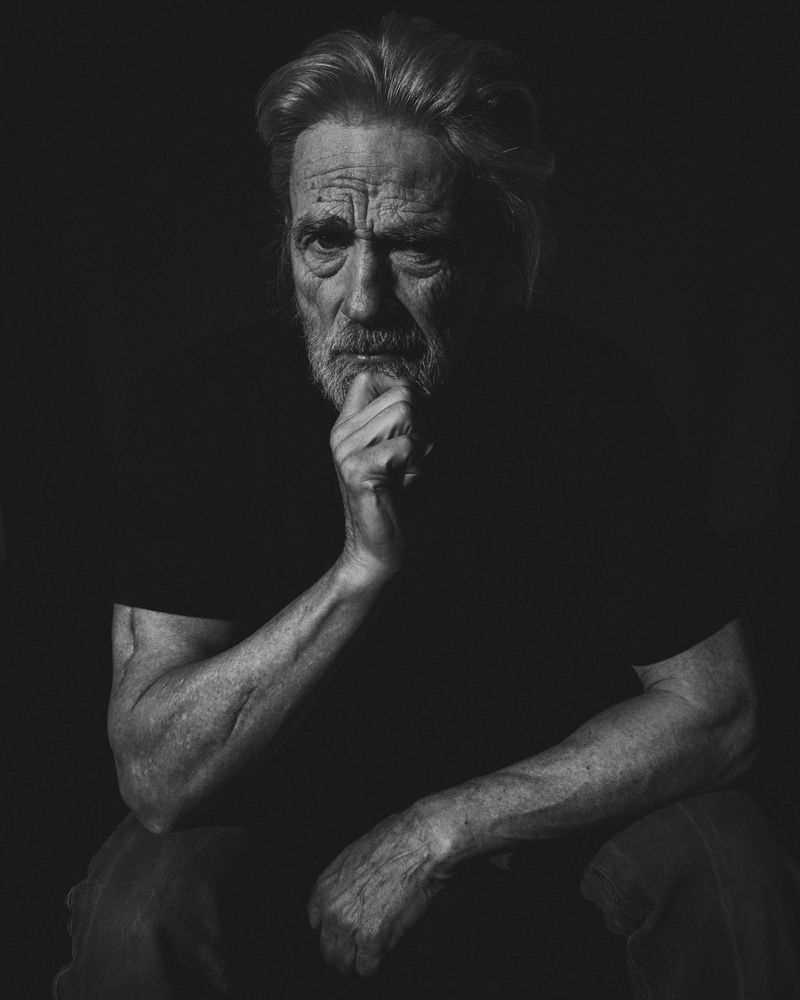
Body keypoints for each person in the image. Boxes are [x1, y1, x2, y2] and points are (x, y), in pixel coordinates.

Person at [54, 13, 800, 999]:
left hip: (533, 810)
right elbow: (155, 775)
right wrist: (361, 570)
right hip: (275, 817)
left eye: (414, 248)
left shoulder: (589, 399)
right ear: (287, 242)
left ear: (486, 256)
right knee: (135, 907)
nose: (362, 300)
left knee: (723, 862)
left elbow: (721, 709)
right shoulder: (196, 411)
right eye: (325, 241)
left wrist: (440, 829)